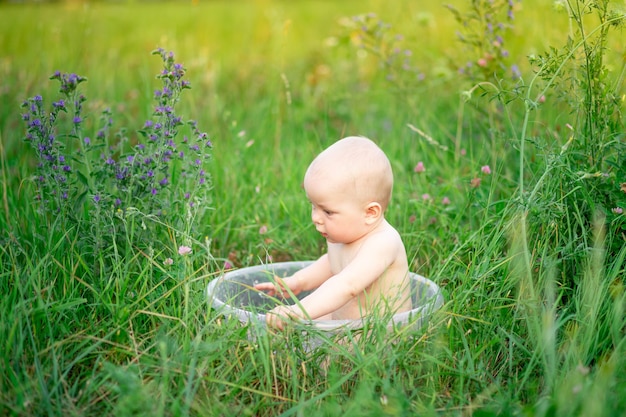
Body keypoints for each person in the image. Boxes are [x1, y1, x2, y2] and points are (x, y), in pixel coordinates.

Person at [255, 136, 413, 330]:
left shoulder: (383, 243)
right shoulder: (343, 236)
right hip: (347, 327)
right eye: (313, 206)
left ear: (370, 213)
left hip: (382, 337)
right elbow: (331, 263)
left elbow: (347, 285)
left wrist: (297, 311)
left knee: (309, 329)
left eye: (327, 211)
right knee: (290, 335)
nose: (316, 218)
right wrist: (297, 282)